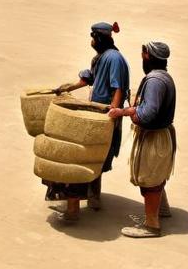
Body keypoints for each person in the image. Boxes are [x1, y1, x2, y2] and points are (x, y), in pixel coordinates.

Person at [45, 21, 130, 223]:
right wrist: (66, 89)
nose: (91, 42)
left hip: (102, 115)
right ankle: (94, 198)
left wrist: (112, 115)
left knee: (85, 156)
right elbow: (90, 79)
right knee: (94, 155)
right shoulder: (101, 57)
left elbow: (117, 88)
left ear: (99, 38)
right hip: (97, 112)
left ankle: (76, 207)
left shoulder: (114, 59)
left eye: (93, 38)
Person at [109, 41, 176, 238]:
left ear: (147, 56)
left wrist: (124, 111)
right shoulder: (163, 77)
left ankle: (152, 225)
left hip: (154, 137)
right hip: (161, 135)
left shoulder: (155, 80)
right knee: (156, 173)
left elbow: (147, 114)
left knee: (150, 179)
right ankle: (161, 209)